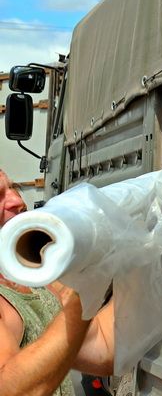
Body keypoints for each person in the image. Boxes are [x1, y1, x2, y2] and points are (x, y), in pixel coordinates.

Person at [0, 170, 115, 396]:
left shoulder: (33, 282)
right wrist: (84, 290)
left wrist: (142, 258)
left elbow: (103, 348)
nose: (18, 201)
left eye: (13, 188)